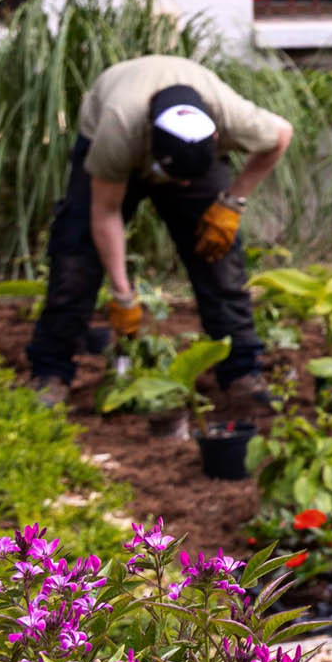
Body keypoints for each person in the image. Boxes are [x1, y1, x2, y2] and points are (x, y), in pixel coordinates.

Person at [27, 55, 295, 412]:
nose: (180, 187)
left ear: (216, 136)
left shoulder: (231, 115)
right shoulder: (119, 126)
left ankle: (241, 371)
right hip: (117, 138)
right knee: (75, 255)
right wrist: (122, 293)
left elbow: (280, 135)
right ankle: (51, 371)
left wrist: (233, 202)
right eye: (175, 178)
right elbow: (105, 212)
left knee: (219, 256)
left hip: (185, 152)